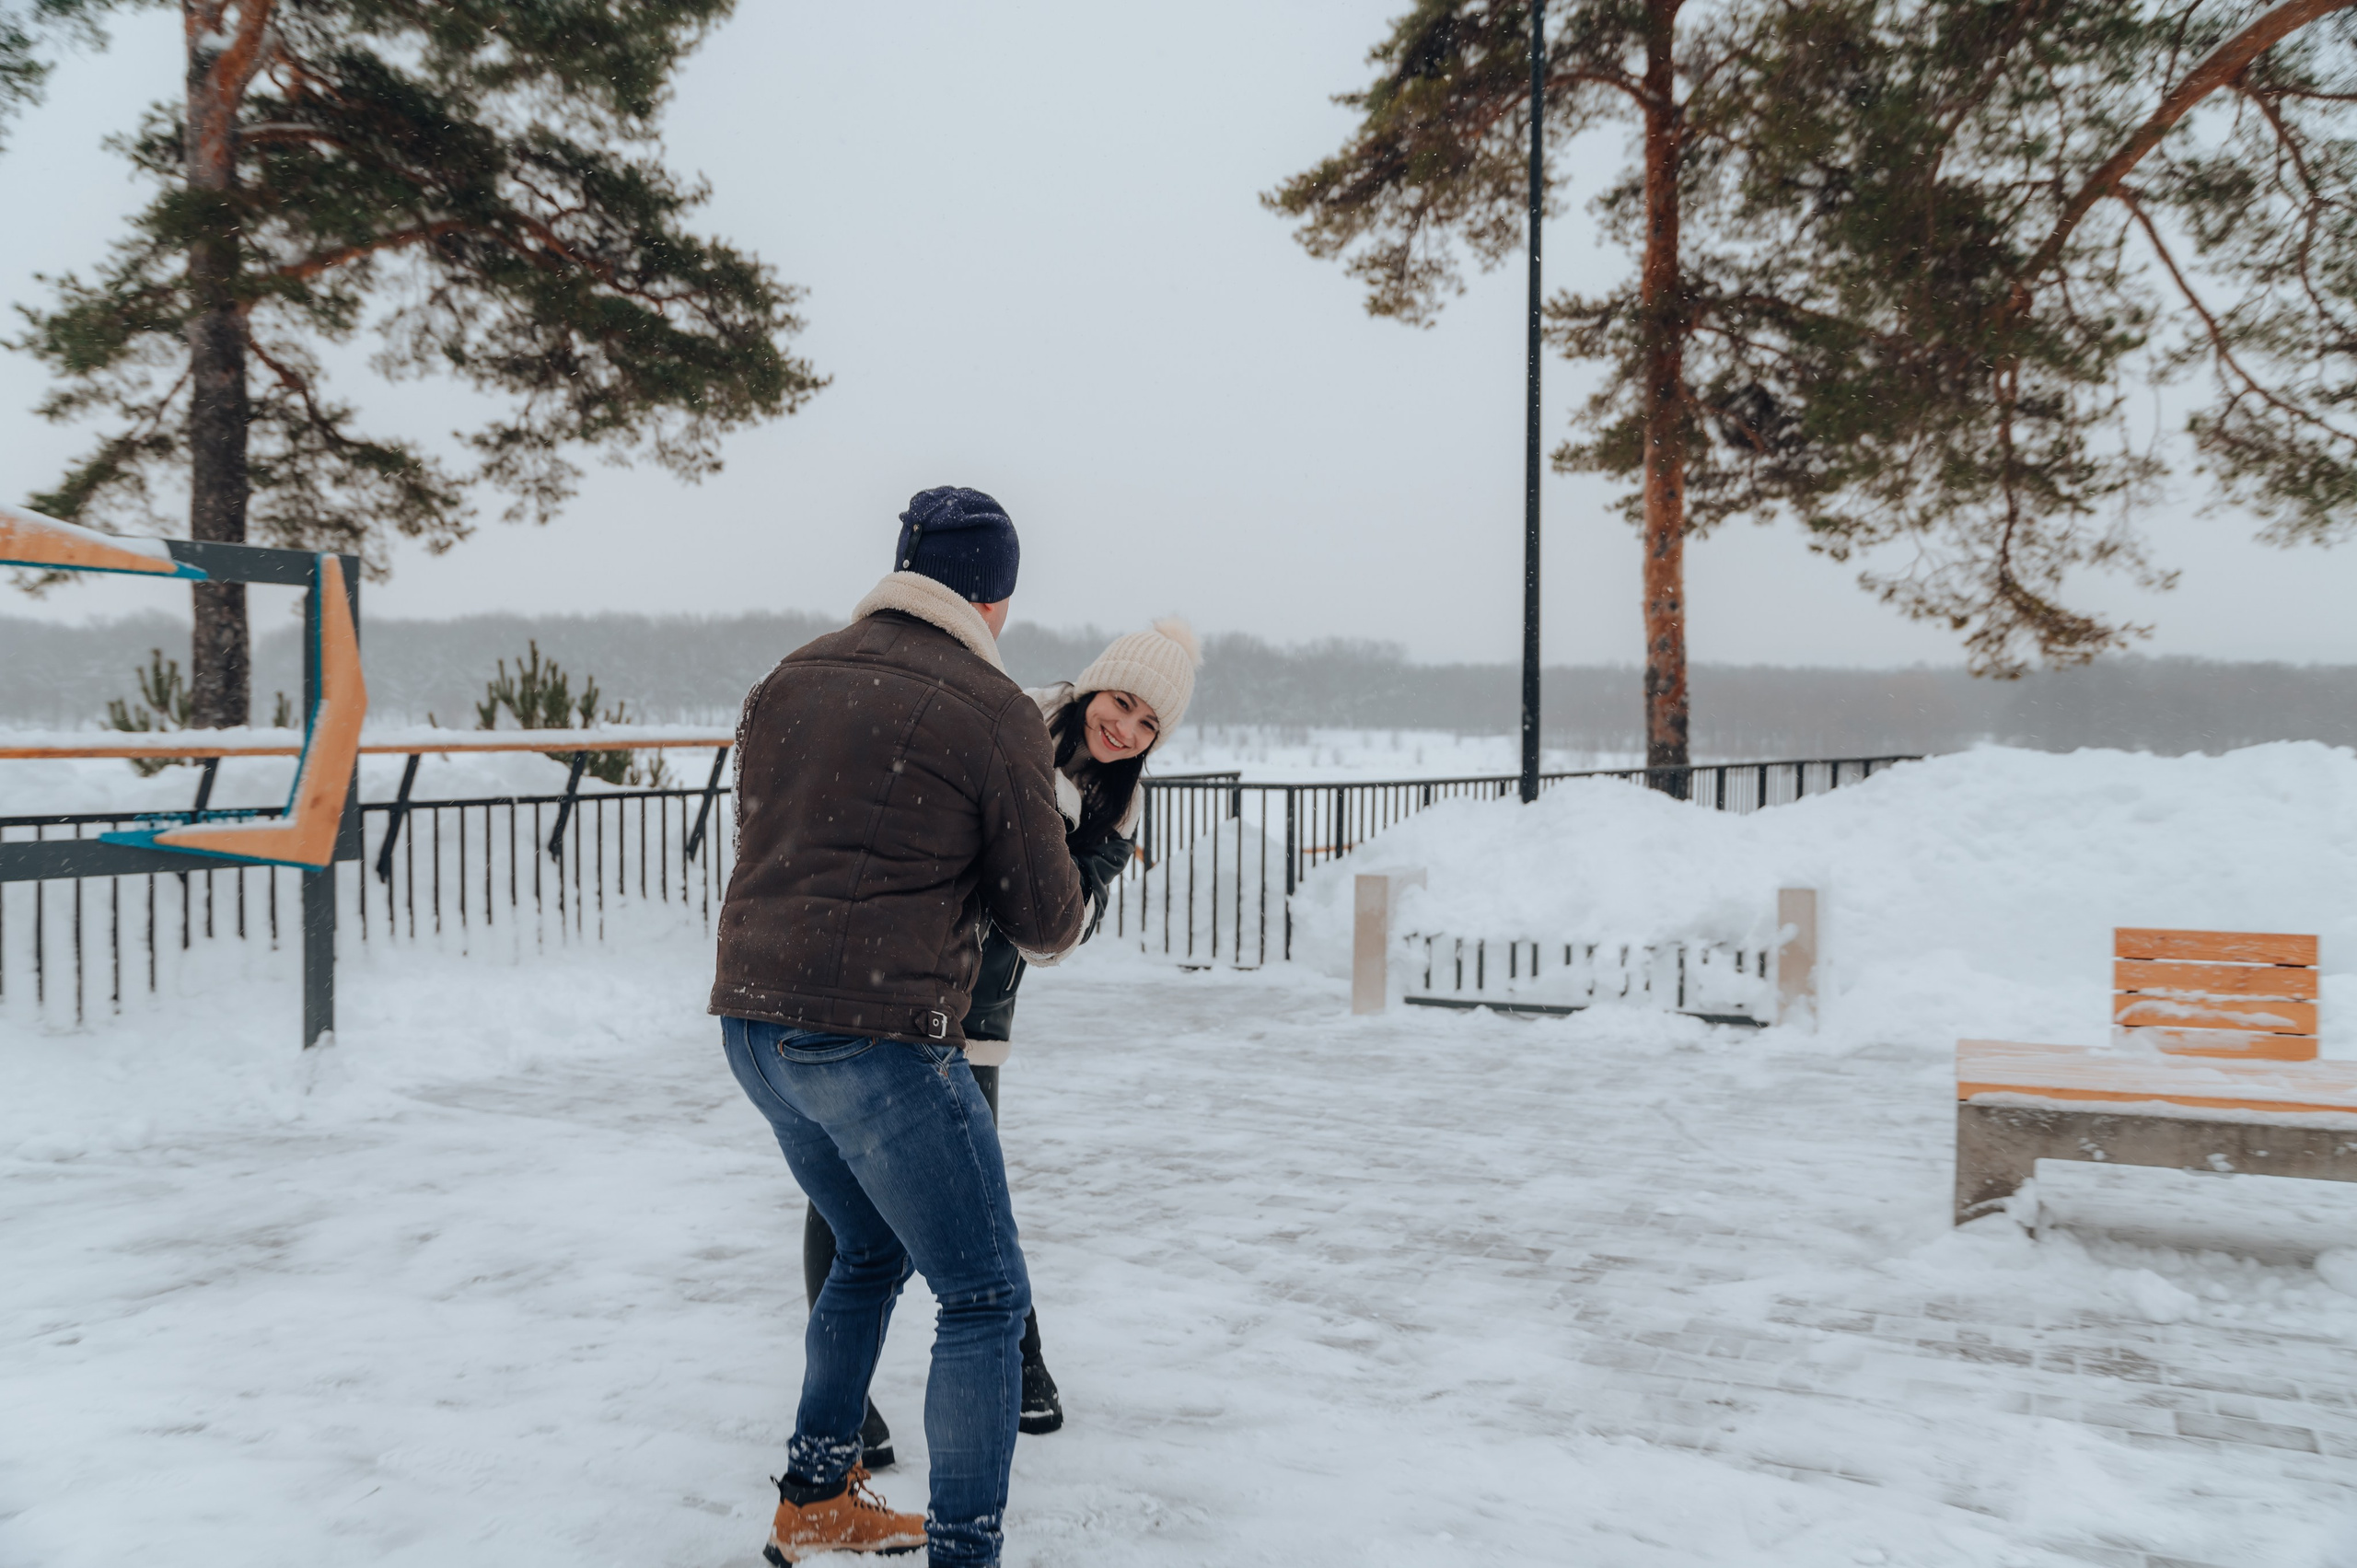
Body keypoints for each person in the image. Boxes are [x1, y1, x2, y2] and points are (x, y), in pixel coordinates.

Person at [713, 485, 1086, 1568]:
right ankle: (965, 1550)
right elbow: (1047, 916)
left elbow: (789, 843)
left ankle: (815, 1494)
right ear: (994, 592)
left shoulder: (791, 676)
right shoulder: (992, 704)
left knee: (868, 1248)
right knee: (983, 1293)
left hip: (752, 1026)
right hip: (873, 1028)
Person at [802, 617, 1203, 1463]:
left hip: (976, 1018)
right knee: (847, 1189)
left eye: (1147, 724)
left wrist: (1035, 880)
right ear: (1096, 684)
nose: (1125, 729)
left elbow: (1066, 923)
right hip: (892, 984)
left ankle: (1024, 1365)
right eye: (1122, 701)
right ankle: (849, 1404)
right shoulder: (1006, 720)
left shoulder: (1120, 803)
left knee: (974, 1193)